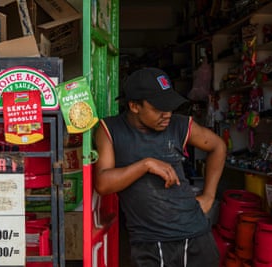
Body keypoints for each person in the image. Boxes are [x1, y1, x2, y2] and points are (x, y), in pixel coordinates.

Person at [94, 67, 227, 267]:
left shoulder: (179, 125)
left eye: (170, 107)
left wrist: (209, 195)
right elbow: (103, 184)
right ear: (134, 106)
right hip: (149, 242)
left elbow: (218, 146)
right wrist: (146, 164)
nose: (167, 114)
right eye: (158, 108)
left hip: (195, 235)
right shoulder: (110, 130)